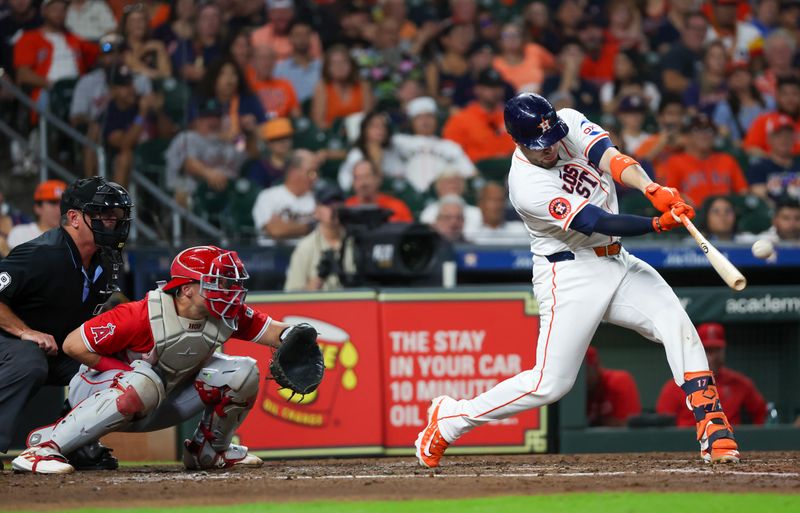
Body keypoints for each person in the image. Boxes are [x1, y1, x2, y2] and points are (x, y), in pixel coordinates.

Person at [414, 93, 741, 469]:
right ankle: (453, 419)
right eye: (540, 145)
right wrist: (655, 223)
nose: (551, 148)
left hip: (618, 261)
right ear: (518, 142)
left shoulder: (566, 121)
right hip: (570, 272)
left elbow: (611, 157)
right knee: (550, 384)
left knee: (677, 323)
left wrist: (651, 188)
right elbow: (594, 222)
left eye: (553, 138)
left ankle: (712, 425)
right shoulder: (526, 184)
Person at [12, 245, 314, 473]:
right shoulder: (140, 314)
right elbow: (73, 344)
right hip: (102, 393)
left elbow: (275, 331)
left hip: (164, 395)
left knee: (243, 372)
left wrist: (298, 337)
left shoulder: (225, 313)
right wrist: (123, 373)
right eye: (216, 283)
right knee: (144, 381)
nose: (229, 291)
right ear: (186, 289)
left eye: (229, 283)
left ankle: (209, 451)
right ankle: (44, 449)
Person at [0, 176, 132, 471]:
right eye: (102, 213)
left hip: (56, 347)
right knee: (29, 360)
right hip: (12, 342)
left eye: (116, 215)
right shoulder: (41, 254)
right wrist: (24, 331)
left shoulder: (107, 260)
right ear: (73, 217)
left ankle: (72, 444)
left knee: (116, 367)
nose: (112, 221)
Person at [656, 323, 766, 427]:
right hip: (688, 444)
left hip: (728, 443)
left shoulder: (740, 383)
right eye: (708, 350)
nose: (713, 357)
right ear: (697, 351)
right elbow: (663, 427)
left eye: (717, 350)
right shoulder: (675, 386)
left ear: (724, 350)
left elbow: (761, 414)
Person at [656, 114, 749, 207]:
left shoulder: (727, 160)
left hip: (725, 216)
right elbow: (668, 195)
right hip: (693, 216)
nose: (704, 135)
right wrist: (682, 199)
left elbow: (743, 192)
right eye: (697, 130)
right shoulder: (675, 162)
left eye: (709, 130)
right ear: (686, 136)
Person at [284, 185, 356, 292]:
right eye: (328, 204)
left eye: (338, 203)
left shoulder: (356, 242)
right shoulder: (305, 247)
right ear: (316, 211)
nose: (334, 209)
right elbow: (290, 294)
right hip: (318, 307)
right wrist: (312, 286)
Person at [442, 69, 516, 162]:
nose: (494, 91)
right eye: (488, 87)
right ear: (477, 89)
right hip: (476, 170)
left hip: (509, 169)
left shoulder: (512, 118)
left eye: (498, 87)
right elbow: (449, 153)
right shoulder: (461, 119)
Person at [251, 149, 318, 243]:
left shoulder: (318, 198)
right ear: (293, 172)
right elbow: (276, 231)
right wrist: (311, 227)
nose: (315, 177)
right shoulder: (268, 196)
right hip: (273, 255)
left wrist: (287, 226)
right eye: (311, 172)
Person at [585, 346, 642, 427]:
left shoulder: (618, 381)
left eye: (585, 370)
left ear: (595, 366)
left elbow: (628, 427)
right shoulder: (571, 390)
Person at [747, 116, 799, 203]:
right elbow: (760, 198)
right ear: (769, 139)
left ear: (794, 138)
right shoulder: (759, 167)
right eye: (778, 135)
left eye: (788, 135)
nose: (784, 139)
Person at [344, 160, 413, 223]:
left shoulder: (397, 208)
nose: (363, 183)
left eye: (367, 177)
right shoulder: (346, 209)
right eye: (358, 178)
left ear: (377, 179)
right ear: (353, 183)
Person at [7, 179, 67, 250]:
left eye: (63, 203)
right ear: (37, 208)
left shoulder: (74, 236)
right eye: (53, 202)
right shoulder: (20, 233)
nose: (59, 208)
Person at [274, 19, 321, 104]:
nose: (302, 39)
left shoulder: (322, 67)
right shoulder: (278, 70)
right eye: (298, 35)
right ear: (290, 38)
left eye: (306, 35)